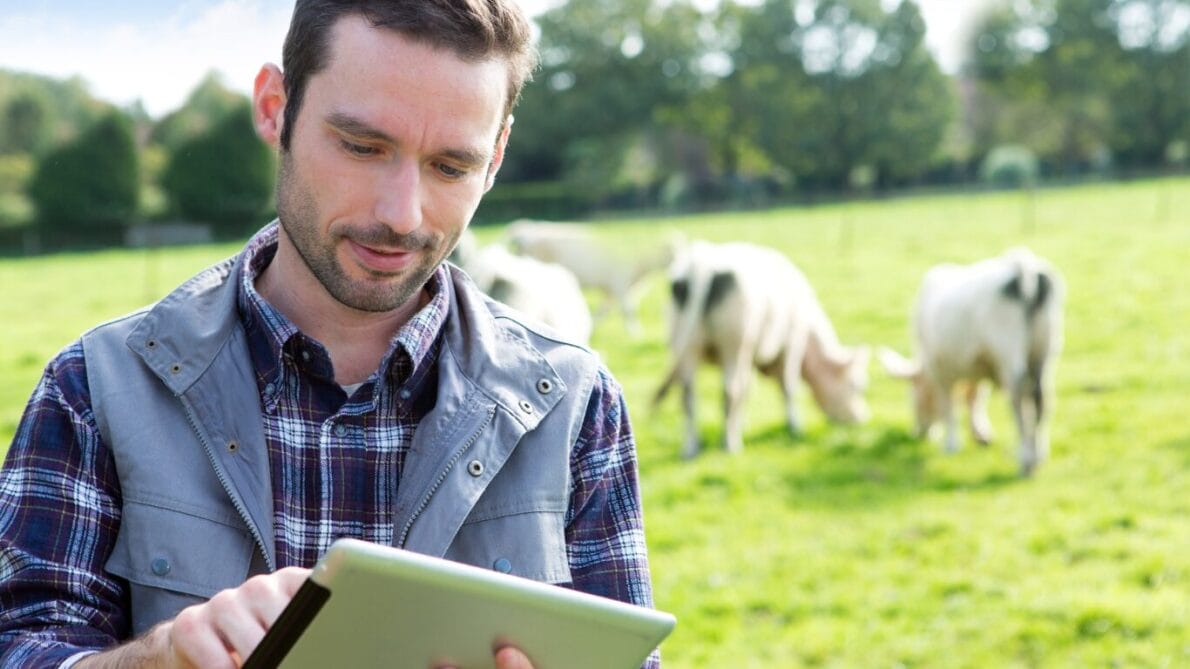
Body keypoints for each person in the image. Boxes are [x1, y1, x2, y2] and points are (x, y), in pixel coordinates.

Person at [0, 1, 659, 667]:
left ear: (497, 156)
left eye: (451, 167)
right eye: (362, 147)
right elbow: (21, 644)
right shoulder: (94, 388)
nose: (402, 214)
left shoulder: (577, 405)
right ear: (275, 107)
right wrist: (159, 659)